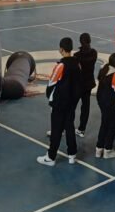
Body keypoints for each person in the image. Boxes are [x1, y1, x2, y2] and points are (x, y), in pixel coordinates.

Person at [37, 38, 80, 167]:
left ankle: (51, 157)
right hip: (72, 102)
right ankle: (72, 154)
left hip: (60, 103)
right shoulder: (76, 64)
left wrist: (50, 97)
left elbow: (52, 83)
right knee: (69, 127)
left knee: (56, 129)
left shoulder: (61, 66)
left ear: (61, 49)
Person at [95, 53, 115, 159]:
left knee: (104, 124)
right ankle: (108, 150)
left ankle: (99, 148)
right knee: (112, 126)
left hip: (102, 102)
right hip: (112, 104)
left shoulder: (104, 69)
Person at [73, 33, 97, 137]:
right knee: (85, 106)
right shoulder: (94, 53)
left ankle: (66, 126)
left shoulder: (77, 56)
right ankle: (82, 129)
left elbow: (76, 70)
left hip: (78, 84)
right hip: (88, 84)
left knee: (71, 106)